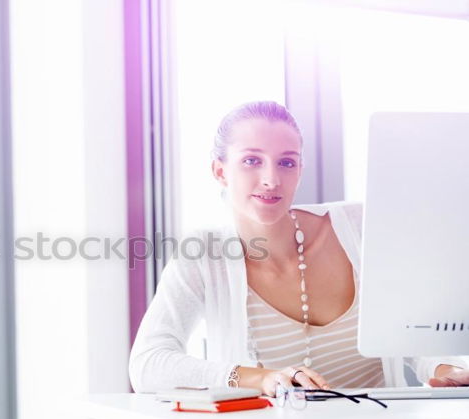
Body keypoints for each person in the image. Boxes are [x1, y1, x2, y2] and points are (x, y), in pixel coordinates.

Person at [129, 100, 469, 397]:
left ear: (300, 170)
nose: (271, 179)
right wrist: (255, 378)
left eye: (287, 163)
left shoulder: (360, 226)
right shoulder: (202, 254)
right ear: (220, 171)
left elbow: (410, 337)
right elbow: (147, 365)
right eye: (251, 161)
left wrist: (444, 370)